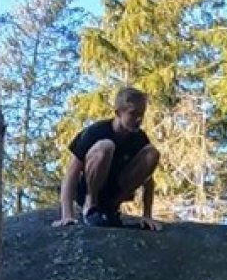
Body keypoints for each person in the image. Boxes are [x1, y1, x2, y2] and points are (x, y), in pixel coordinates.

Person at [52, 86, 163, 230]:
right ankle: (91, 205)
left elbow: (148, 179)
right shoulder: (95, 132)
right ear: (118, 112)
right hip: (88, 189)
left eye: (141, 114)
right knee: (106, 146)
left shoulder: (139, 138)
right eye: (133, 114)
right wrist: (67, 215)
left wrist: (147, 215)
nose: (138, 119)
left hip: (116, 191)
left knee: (151, 153)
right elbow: (71, 174)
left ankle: (111, 208)